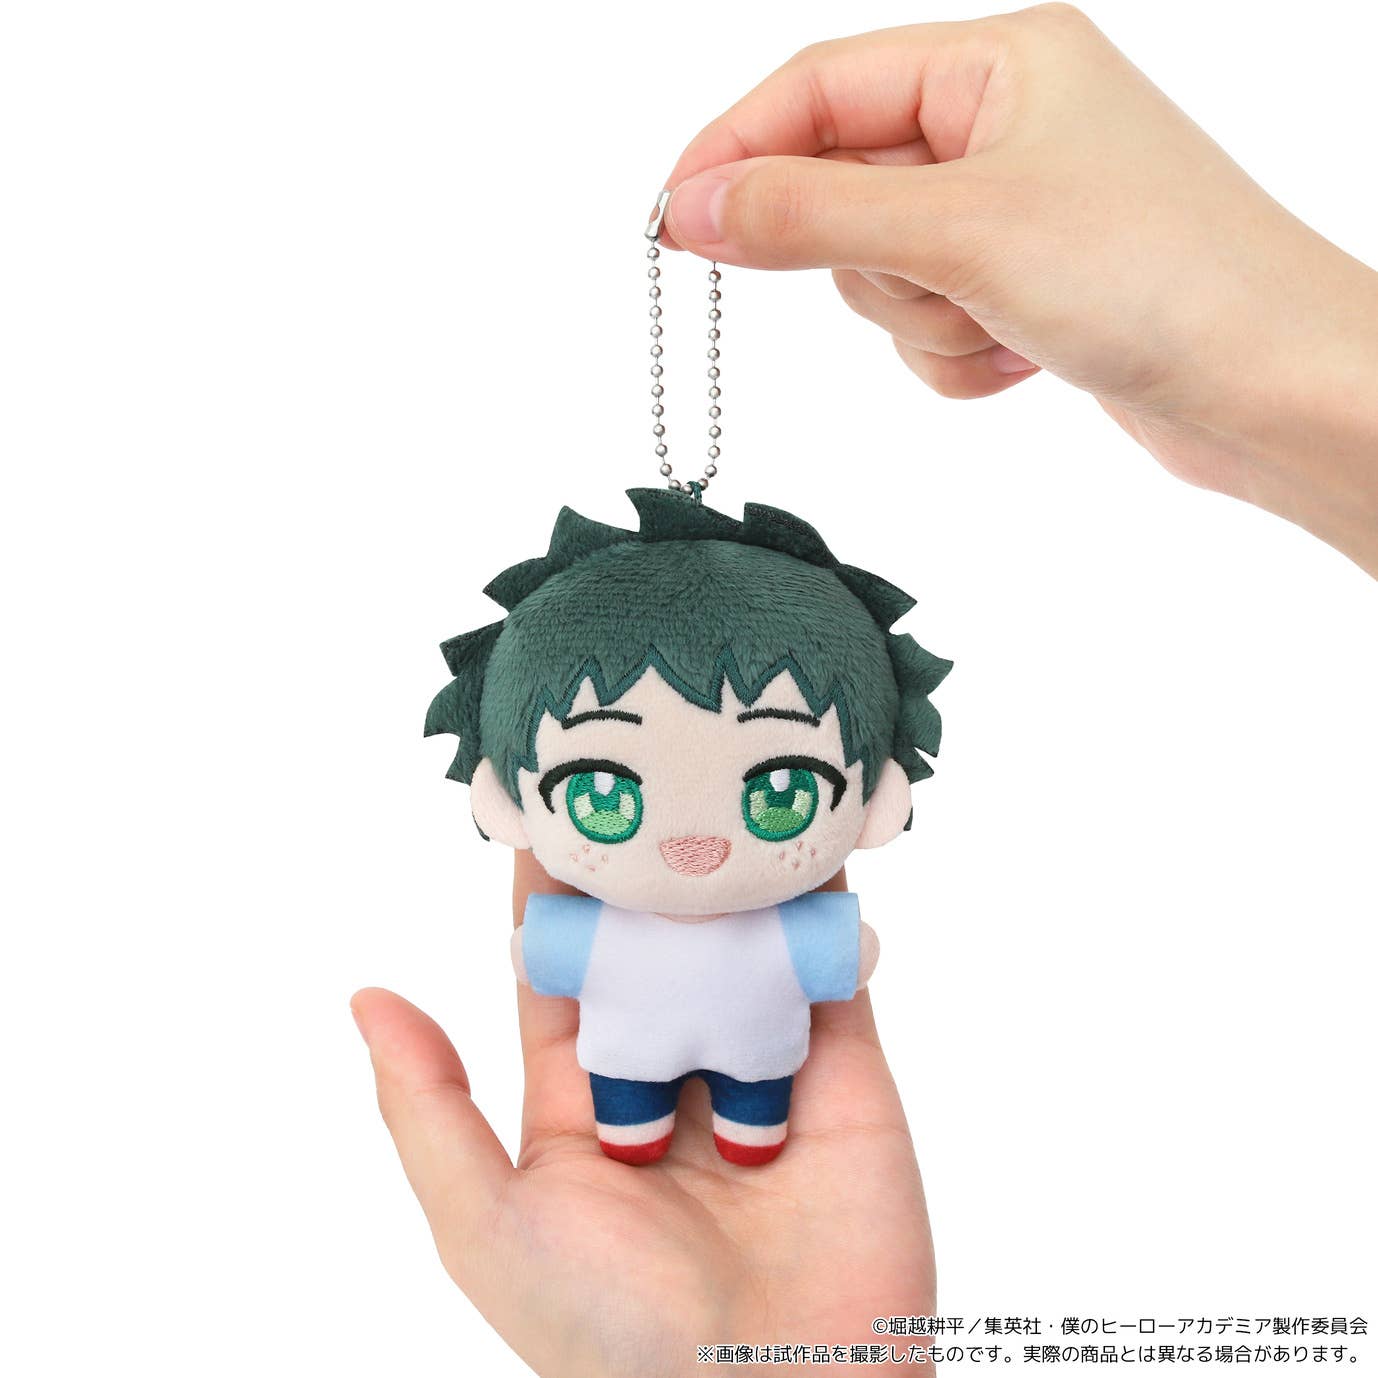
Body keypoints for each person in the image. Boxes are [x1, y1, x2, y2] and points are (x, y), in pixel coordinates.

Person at [352, 9, 1378, 1376]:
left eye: (782, 787)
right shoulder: (660, 934)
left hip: (755, 1076)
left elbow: (629, 955)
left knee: (743, 1091)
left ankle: (739, 1117)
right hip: (641, 1067)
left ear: (877, 800)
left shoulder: (624, 933)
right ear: (504, 802)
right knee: (632, 1090)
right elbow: (788, 956)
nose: (699, 840)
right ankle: (655, 1116)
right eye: (601, 791)